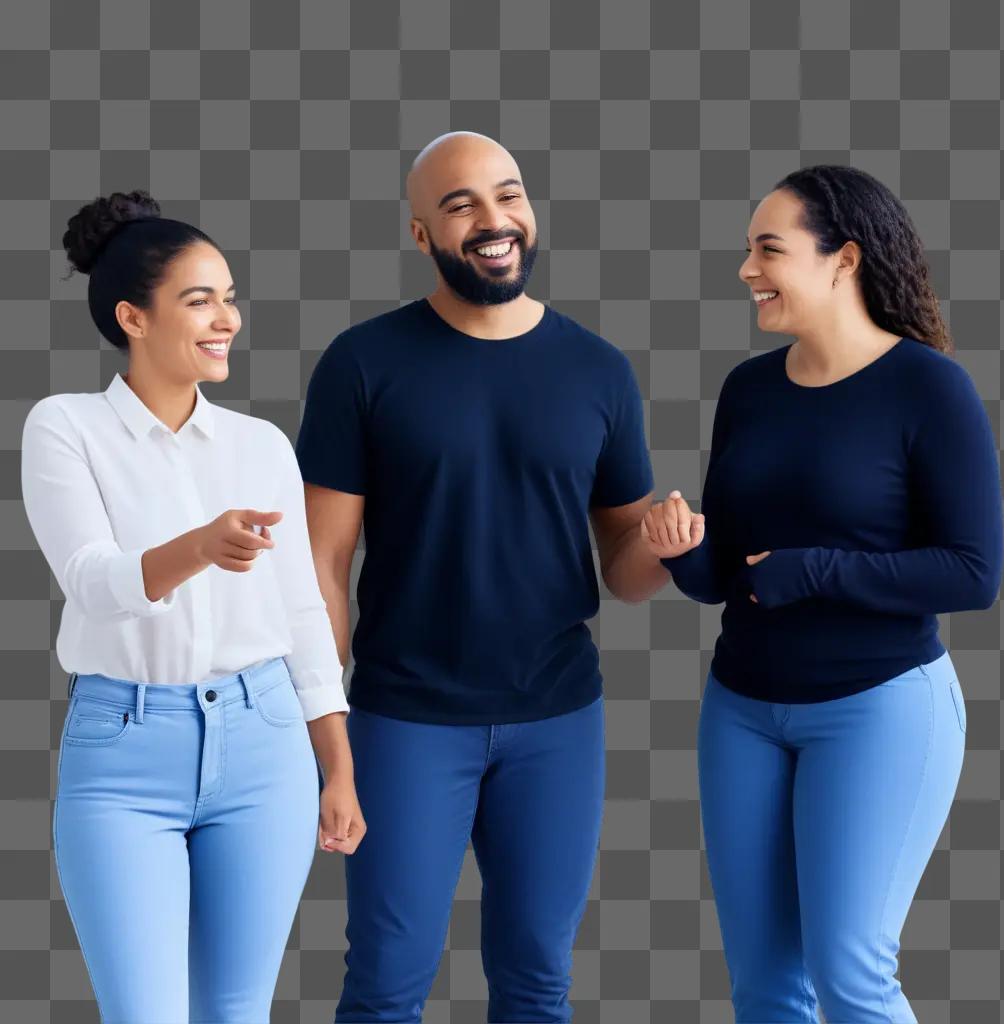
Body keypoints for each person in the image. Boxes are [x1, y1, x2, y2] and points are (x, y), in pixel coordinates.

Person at [295, 132, 668, 1023]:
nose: (493, 221)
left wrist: (669, 543)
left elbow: (624, 569)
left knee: (538, 983)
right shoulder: (363, 362)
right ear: (422, 235)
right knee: (386, 984)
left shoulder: (600, 370)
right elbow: (322, 562)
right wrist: (324, 725)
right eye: (461, 205)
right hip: (404, 718)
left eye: (508, 196)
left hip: (558, 719)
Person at [641, 165, 1003, 1022]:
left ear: (843, 260)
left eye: (768, 249)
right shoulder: (749, 390)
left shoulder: (929, 389)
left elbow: (973, 573)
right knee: (766, 989)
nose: (746, 270)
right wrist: (683, 554)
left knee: (851, 976)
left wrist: (815, 569)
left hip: (876, 709)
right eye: (747, 250)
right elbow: (733, 571)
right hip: (741, 711)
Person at [21, 190, 364, 1024]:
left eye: (230, 297)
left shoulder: (261, 445)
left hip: (267, 746)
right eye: (199, 300)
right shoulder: (65, 428)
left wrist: (338, 763)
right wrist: (199, 547)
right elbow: (94, 581)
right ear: (133, 318)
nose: (227, 319)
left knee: (236, 1013)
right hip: (125, 753)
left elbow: (303, 614)